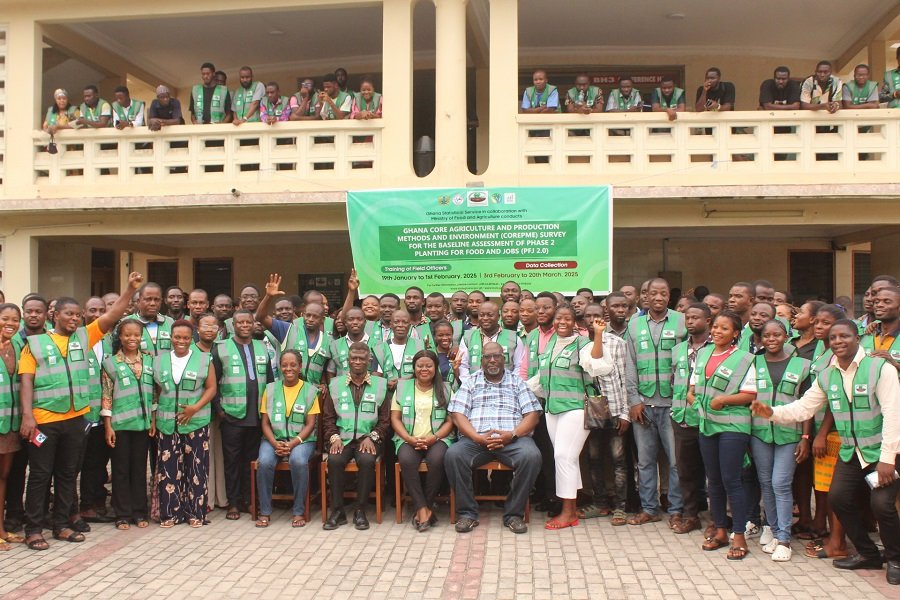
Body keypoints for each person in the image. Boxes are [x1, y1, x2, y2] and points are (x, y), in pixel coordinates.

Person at [752, 319, 900, 585]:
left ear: (857, 339)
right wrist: (772, 412)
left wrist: (888, 460)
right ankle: (868, 554)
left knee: (882, 505)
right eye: (833, 339)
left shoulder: (879, 369)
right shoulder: (828, 375)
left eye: (844, 336)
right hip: (851, 451)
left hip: (883, 451)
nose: (838, 342)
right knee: (839, 499)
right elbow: (804, 408)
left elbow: (893, 414)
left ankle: (896, 558)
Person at [18, 273, 142, 551]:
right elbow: (26, 381)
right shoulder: (35, 344)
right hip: (45, 421)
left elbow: (113, 316)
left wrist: (129, 289)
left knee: (66, 474)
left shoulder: (84, 337)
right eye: (69, 314)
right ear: (56, 316)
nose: (74, 319)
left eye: (77, 315)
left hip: (76, 420)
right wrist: (28, 416)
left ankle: (61, 524)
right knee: (39, 476)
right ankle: (34, 529)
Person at [527, 306, 611, 529]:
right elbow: (540, 379)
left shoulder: (582, 344)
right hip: (553, 410)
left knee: (563, 457)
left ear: (575, 322)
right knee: (568, 459)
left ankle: (567, 513)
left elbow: (597, 365)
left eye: (567, 319)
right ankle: (573, 507)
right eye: (558, 318)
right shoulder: (551, 344)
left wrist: (599, 335)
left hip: (575, 408)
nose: (561, 322)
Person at [445, 342, 543, 534]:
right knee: (453, 455)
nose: (492, 360)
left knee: (532, 456)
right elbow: (457, 414)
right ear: (481, 360)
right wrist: (477, 437)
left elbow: (532, 415)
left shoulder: (516, 382)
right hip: (476, 440)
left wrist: (512, 435)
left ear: (503, 358)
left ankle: (514, 514)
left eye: (496, 356)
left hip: (513, 439)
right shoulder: (471, 382)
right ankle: (467, 514)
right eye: (487, 357)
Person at [688, 311, 757, 560]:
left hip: (732, 426)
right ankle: (719, 530)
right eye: (715, 327)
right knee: (713, 481)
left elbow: (750, 394)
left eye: (724, 328)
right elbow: (692, 388)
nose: (717, 331)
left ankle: (738, 535)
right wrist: (694, 399)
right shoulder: (703, 353)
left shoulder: (746, 359)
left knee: (732, 480)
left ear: (736, 333)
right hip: (708, 424)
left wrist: (724, 400)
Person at [626, 278, 686, 528]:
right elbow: (629, 363)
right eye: (654, 293)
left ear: (668, 297)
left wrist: (681, 401)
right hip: (644, 404)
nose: (658, 297)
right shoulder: (635, 324)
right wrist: (633, 400)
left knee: (675, 461)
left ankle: (676, 510)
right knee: (645, 461)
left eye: (663, 293)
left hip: (673, 404)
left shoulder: (682, 322)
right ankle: (649, 508)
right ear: (646, 297)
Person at [750, 320, 812, 561]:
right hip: (760, 433)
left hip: (790, 434)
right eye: (767, 335)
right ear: (761, 338)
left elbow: (809, 405)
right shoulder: (753, 363)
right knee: (765, 483)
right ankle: (774, 531)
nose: (772, 339)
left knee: (780, 483)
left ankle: (784, 539)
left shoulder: (803, 365)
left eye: (777, 334)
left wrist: (805, 437)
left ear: (787, 336)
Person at [152, 320, 216, 528]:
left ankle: (196, 513)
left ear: (192, 338)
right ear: (171, 337)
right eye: (177, 337)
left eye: (186, 338)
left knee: (196, 469)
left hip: (196, 422)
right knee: (168, 469)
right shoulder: (159, 361)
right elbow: (158, 392)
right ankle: (170, 514)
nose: (181, 341)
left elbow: (211, 388)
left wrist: (194, 408)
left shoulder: (204, 359)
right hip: (167, 424)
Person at [322, 343, 390, 530]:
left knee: (367, 461)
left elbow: (385, 420)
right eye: (354, 358)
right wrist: (334, 438)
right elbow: (328, 418)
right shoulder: (335, 384)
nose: (358, 362)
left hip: (368, 439)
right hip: (341, 439)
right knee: (334, 461)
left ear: (369, 361)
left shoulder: (380, 385)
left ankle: (360, 510)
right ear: (348, 361)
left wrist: (373, 437)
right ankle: (338, 511)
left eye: (362, 358)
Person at [213, 310, 272, 521]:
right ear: (232, 325)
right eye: (240, 322)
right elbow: (213, 382)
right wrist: (220, 410)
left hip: (257, 416)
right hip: (232, 415)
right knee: (232, 462)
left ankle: (249, 500)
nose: (245, 325)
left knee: (252, 461)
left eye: (249, 322)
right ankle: (233, 503)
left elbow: (271, 381)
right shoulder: (220, 349)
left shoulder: (262, 346)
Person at [100, 319, 154, 530]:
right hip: (120, 425)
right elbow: (106, 396)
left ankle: (140, 512)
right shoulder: (111, 363)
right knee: (121, 470)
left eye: (136, 335)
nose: (132, 339)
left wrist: (153, 421)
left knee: (140, 470)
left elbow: (155, 395)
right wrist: (108, 426)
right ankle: (122, 514)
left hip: (143, 425)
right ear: (120, 337)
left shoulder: (149, 362)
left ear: (142, 337)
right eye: (127, 335)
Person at [391, 350, 454, 531]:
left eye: (428, 366)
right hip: (408, 438)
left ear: (435, 368)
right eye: (420, 366)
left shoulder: (446, 388)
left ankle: (423, 508)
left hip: (438, 438)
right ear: (414, 367)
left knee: (437, 460)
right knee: (406, 460)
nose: (424, 369)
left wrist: (434, 438)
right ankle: (423, 509)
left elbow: (451, 420)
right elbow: (395, 418)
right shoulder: (402, 387)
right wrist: (409, 439)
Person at [255, 350, 319, 528]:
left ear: (300, 367)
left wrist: (293, 443)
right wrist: (275, 443)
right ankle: (265, 511)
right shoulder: (270, 389)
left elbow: (310, 424)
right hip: (273, 439)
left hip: (302, 441)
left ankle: (298, 511)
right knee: (265, 461)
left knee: (298, 461)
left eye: (293, 365)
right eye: (284, 365)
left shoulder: (310, 390)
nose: (288, 368)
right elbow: (265, 423)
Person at [669, 303, 712, 534]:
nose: (690, 321)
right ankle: (691, 515)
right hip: (681, 417)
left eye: (696, 317)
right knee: (685, 470)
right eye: (688, 318)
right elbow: (674, 380)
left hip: (707, 419)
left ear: (708, 321)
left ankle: (716, 520)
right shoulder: (678, 350)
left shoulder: (717, 348)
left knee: (712, 471)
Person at [0, 304, 24, 550]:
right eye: (5, 318)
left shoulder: (18, 346)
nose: (10, 323)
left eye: (15, 319)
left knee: (4, 476)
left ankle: (2, 530)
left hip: (11, 424)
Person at [458, 302, 525, 387]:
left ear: (498, 317)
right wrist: (470, 384)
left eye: (490, 315)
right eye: (481, 315)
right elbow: (463, 366)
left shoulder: (514, 338)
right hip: (474, 388)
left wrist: (510, 384)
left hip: (507, 387)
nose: (485, 318)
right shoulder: (467, 337)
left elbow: (519, 366)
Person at [373, 310, 426, 386]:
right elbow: (376, 377)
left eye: (404, 322)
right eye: (396, 322)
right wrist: (386, 384)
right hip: (388, 394)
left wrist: (405, 381)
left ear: (410, 324)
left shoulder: (420, 346)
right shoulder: (380, 349)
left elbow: (425, 371)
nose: (400, 325)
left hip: (414, 392)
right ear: (391, 324)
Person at [126, 283, 174, 355]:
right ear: (139, 301)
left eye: (156, 299)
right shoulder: (126, 323)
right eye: (148, 299)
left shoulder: (170, 322)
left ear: (161, 301)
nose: (152, 303)